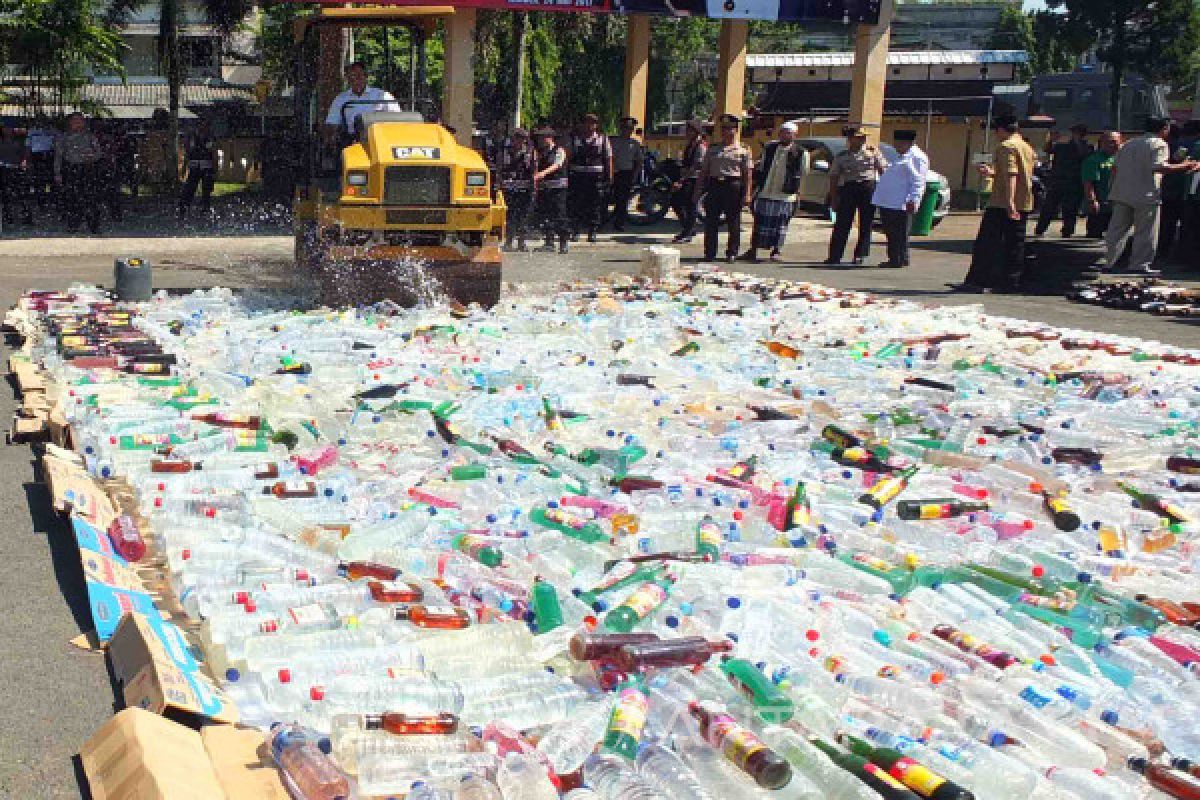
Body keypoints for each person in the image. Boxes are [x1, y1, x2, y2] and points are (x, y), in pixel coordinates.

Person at [1104, 117, 1200, 276]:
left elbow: (1115, 168)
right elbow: (1159, 167)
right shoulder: (1159, 144)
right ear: (1164, 129)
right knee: (1145, 231)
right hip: (1146, 194)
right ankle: (1139, 264)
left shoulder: (1128, 144)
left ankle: (1109, 261)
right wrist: (1186, 165)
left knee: (1116, 230)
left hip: (1122, 192)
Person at [959, 115, 1037, 293]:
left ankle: (979, 281)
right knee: (1015, 243)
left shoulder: (1006, 146)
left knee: (987, 243)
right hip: (1023, 201)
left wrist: (1009, 202)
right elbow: (1018, 174)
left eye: (996, 130)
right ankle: (1010, 282)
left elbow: (1012, 174)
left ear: (1001, 129)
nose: (996, 134)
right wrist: (993, 173)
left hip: (1002, 203)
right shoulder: (1026, 146)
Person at [740, 121, 808, 263]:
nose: (784, 135)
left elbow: (803, 173)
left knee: (780, 225)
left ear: (795, 135)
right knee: (759, 223)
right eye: (782, 132)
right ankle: (753, 250)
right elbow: (762, 166)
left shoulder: (801, 153)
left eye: (788, 133)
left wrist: (798, 193)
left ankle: (776, 251)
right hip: (766, 192)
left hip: (785, 195)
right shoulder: (770, 148)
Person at [825, 125, 887, 266]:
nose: (862, 140)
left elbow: (883, 171)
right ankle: (835, 255)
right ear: (850, 139)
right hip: (849, 188)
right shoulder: (842, 156)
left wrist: (884, 192)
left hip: (868, 187)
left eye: (863, 138)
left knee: (866, 222)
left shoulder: (873, 153)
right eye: (858, 137)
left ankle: (861, 254)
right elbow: (834, 177)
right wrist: (834, 198)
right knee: (842, 222)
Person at [694, 113, 752, 263]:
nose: (726, 132)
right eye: (724, 129)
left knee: (733, 220)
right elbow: (704, 171)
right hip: (714, 185)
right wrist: (698, 189)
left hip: (732, 185)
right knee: (711, 220)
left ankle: (732, 252)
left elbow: (747, 174)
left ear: (735, 130)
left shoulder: (743, 150)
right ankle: (710, 252)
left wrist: (747, 194)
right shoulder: (713, 149)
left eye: (730, 129)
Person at [871, 129, 929, 269]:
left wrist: (914, 200)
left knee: (899, 232)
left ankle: (898, 259)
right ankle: (897, 257)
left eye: (898, 144)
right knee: (891, 231)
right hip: (889, 201)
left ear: (907, 143)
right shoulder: (901, 156)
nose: (895, 146)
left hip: (901, 202)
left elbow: (918, 181)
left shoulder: (916, 157)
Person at [1033, 124, 1092, 239]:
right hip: (1058, 180)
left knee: (1070, 209)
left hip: (1074, 182)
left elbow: (1083, 154)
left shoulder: (1087, 146)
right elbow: (1047, 150)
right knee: (1049, 206)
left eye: (1078, 132)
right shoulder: (1062, 146)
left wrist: (1077, 142)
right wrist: (1051, 140)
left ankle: (1067, 231)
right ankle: (1040, 229)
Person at [323, 62, 400, 144]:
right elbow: (332, 123)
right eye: (352, 76)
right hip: (352, 140)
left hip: (381, 139)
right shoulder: (340, 99)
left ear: (366, 76)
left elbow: (397, 120)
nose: (356, 79)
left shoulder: (382, 95)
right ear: (347, 79)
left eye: (359, 75)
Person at [53, 112, 102, 234]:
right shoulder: (63, 137)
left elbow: (99, 152)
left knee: (91, 198)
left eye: (80, 120)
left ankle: (93, 225)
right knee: (72, 198)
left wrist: (92, 157)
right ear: (70, 123)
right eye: (75, 120)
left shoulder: (90, 136)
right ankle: (73, 224)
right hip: (71, 169)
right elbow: (58, 156)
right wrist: (57, 173)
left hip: (87, 168)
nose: (78, 123)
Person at [567, 113, 612, 242]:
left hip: (595, 176)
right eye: (586, 122)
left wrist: (609, 177)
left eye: (592, 123)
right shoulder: (575, 139)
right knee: (576, 204)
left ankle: (593, 231)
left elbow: (608, 158)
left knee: (595, 205)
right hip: (578, 175)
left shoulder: (602, 139)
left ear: (596, 125)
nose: (589, 125)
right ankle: (575, 230)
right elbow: (568, 157)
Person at [498, 128, 537, 252]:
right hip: (509, 188)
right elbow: (499, 168)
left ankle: (522, 242)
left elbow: (534, 169)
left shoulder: (530, 152)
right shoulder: (504, 152)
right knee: (510, 216)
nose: (519, 141)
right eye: (517, 138)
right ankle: (509, 241)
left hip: (525, 188)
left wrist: (534, 186)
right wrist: (499, 184)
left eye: (522, 139)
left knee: (523, 216)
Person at [533, 127, 570, 254]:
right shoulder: (540, 152)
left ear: (550, 137)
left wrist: (542, 174)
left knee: (559, 215)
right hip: (545, 188)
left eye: (543, 137)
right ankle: (549, 242)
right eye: (539, 137)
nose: (541, 140)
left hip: (558, 188)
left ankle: (563, 243)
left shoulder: (559, 150)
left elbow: (556, 165)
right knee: (546, 215)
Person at [670, 119, 708, 244]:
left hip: (694, 179)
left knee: (690, 205)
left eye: (689, 130)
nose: (687, 132)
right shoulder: (690, 144)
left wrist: (682, 180)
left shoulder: (700, 146)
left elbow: (697, 166)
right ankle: (688, 228)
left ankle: (687, 232)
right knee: (676, 202)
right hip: (687, 177)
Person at [1081, 131, 1120, 240]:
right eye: (1110, 142)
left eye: (1116, 142)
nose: (1114, 145)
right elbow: (1088, 183)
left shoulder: (1123, 159)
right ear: (1101, 143)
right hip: (1101, 204)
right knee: (1094, 236)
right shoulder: (1093, 160)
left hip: (1118, 203)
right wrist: (1092, 200)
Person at [608, 116, 644, 232]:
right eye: (625, 128)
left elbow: (639, 162)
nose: (627, 131)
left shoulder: (634, 144)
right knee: (607, 197)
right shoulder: (613, 141)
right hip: (613, 172)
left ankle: (620, 222)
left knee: (623, 200)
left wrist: (634, 176)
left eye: (629, 129)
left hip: (626, 173)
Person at [179, 118, 218, 221]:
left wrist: (215, 168)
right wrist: (184, 168)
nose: (204, 128)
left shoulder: (210, 137)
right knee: (189, 190)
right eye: (202, 125)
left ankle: (205, 210)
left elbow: (214, 153)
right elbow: (187, 153)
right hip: (194, 167)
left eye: (206, 126)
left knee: (206, 191)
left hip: (206, 167)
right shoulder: (192, 138)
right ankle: (184, 209)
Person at [1156, 146, 1190, 264]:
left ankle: (1163, 252)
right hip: (1181, 191)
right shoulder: (1186, 145)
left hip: (1171, 191)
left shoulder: (1173, 143)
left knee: (1167, 225)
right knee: (1184, 226)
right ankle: (1179, 253)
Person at [0, 126, 32, 226]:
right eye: (5, 128)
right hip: (3, 170)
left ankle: (27, 218)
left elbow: (26, 154)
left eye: (9, 128)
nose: (7, 130)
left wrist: (24, 161)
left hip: (17, 170)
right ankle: (7, 217)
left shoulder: (21, 140)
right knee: (5, 195)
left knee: (22, 194)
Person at [25, 115, 56, 210]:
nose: (42, 122)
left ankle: (51, 200)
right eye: (39, 120)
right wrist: (28, 160)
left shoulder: (52, 131)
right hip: (36, 156)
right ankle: (40, 202)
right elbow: (28, 147)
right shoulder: (32, 131)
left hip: (49, 156)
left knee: (50, 179)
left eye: (44, 120)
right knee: (38, 180)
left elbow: (57, 144)